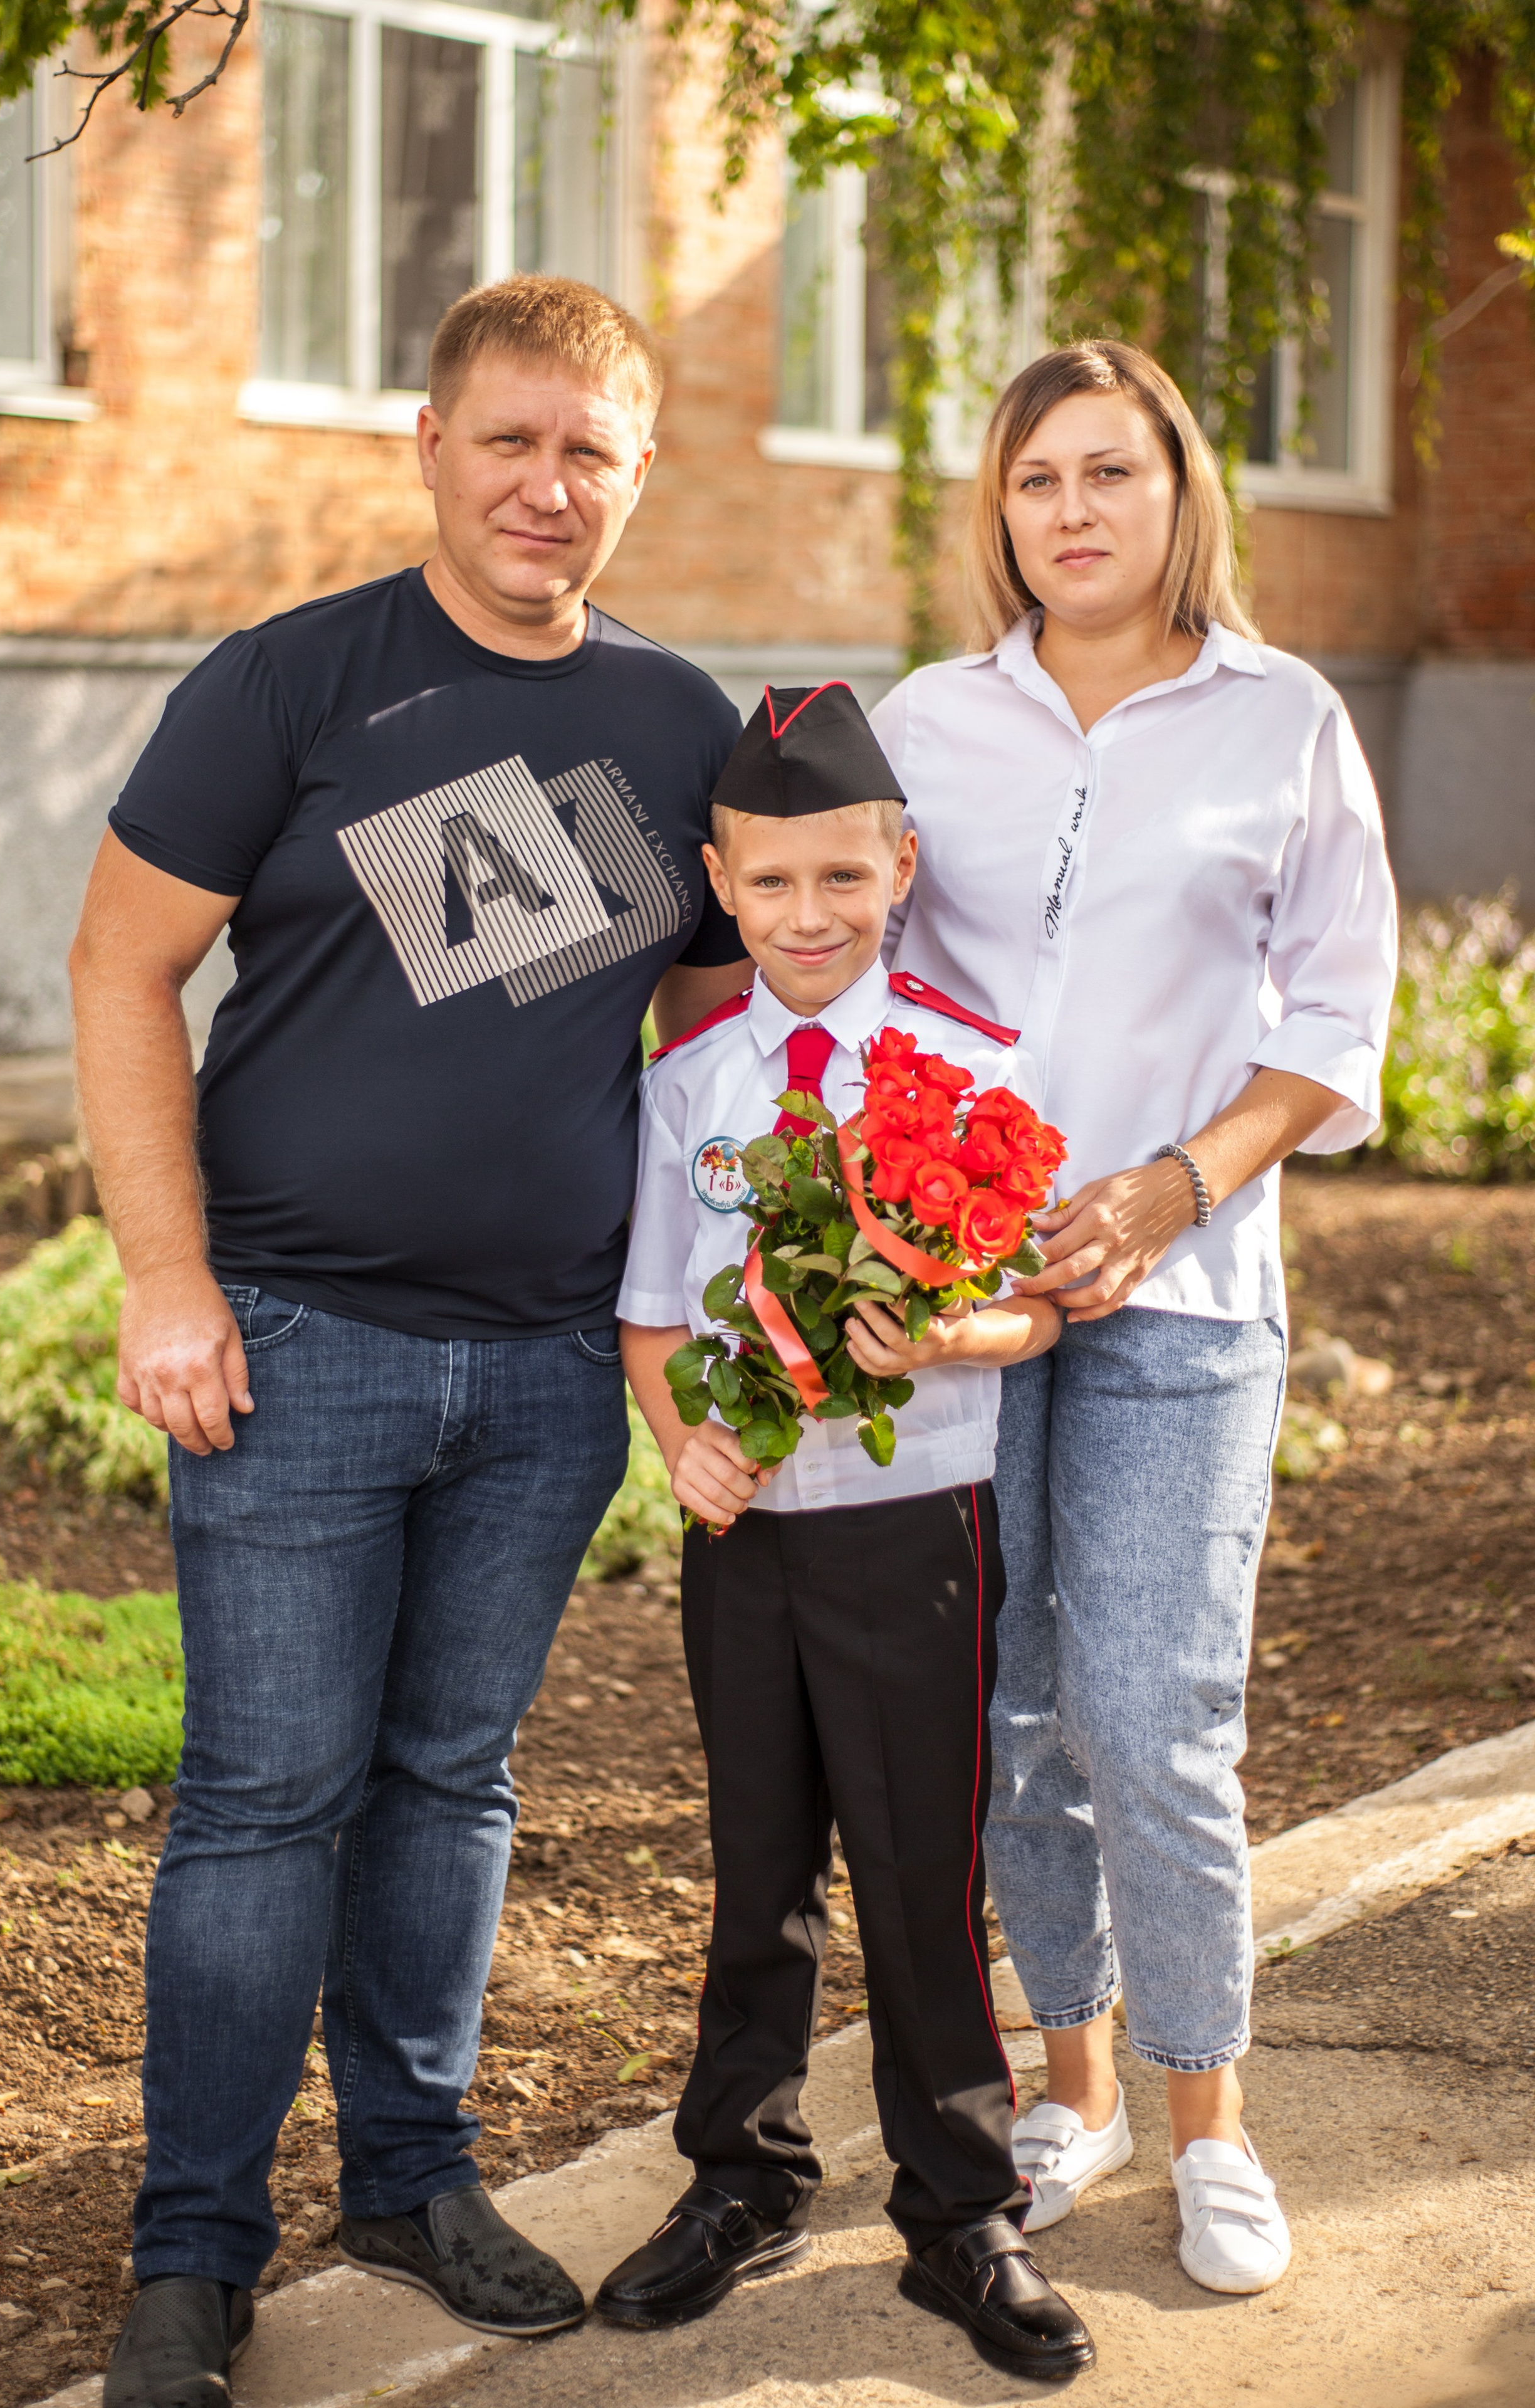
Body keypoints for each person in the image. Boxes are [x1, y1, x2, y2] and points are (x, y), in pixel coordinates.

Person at [68, 275, 754, 2407]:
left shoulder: (675, 727)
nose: (550, 487)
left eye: (594, 455)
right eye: (512, 441)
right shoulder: (295, 684)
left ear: (638, 477)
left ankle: (411, 2170)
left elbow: (731, 1013)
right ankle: (194, 2251)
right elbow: (116, 971)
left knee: (452, 1785)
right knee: (264, 1801)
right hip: (290, 1343)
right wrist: (164, 1280)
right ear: (432, 447)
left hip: (547, 1367)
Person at [869, 339, 1398, 2295]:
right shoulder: (930, 720)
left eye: (1110, 473)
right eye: (1035, 483)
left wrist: (1176, 1179)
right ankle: (1068, 2090)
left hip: (1187, 1295)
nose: (1073, 513)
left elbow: (1339, 1022)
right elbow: (864, 971)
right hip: (973, 1308)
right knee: (1006, 1715)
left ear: (1182, 491)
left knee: (1156, 1714)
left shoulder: (1286, 717)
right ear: (999, 516)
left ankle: (1210, 2119)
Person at [596, 681, 1096, 2384]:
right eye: (770, 886)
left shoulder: (965, 1068)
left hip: (914, 1528)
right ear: (721, 887)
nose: (808, 918)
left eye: (841, 880)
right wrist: (684, 1449)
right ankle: (744, 2176)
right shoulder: (692, 1084)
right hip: (749, 1543)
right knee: (756, 1867)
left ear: (899, 864)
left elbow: (1030, 1309)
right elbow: (656, 1315)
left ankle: (962, 2212)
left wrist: (952, 1334)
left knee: (917, 1876)